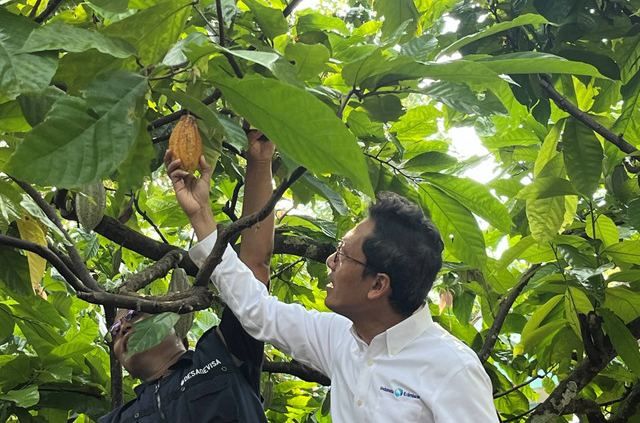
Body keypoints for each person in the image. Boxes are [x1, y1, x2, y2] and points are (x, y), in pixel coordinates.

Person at [169, 156, 498, 422]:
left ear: (378, 285)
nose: (330, 260)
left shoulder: (452, 368)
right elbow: (258, 311)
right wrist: (202, 216)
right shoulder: (342, 339)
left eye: (342, 253)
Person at [99, 131, 275, 423]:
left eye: (132, 315)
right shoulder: (116, 419)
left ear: (170, 319)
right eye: (114, 332)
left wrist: (258, 161)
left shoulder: (220, 354)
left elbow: (254, 267)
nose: (123, 330)